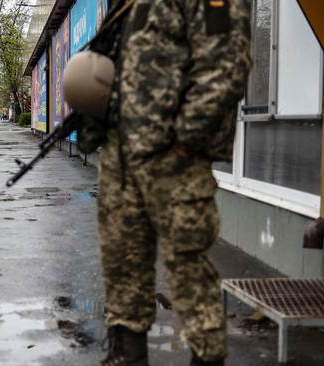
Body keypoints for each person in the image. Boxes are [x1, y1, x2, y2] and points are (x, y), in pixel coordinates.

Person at [96, 1, 252, 365]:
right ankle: (126, 354)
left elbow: (227, 65)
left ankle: (207, 356)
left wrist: (183, 144)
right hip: (122, 157)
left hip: (174, 158)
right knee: (123, 267)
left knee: (188, 268)